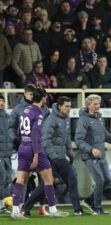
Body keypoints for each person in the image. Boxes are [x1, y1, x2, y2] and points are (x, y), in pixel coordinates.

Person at [10, 88, 69, 219]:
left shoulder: (25, 110)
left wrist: (23, 143)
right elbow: (35, 134)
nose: (46, 99)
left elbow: (19, 131)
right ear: (42, 98)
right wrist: (36, 154)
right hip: (34, 149)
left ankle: (15, 211)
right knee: (49, 179)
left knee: (20, 180)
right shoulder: (38, 113)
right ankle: (53, 210)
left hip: (23, 147)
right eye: (45, 97)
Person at [22, 96, 86, 216]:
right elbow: (45, 140)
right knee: (49, 183)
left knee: (69, 180)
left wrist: (70, 154)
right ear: (59, 106)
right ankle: (25, 207)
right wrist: (54, 157)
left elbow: (66, 139)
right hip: (50, 157)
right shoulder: (51, 119)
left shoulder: (66, 119)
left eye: (70, 106)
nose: (69, 109)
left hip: (60, 157)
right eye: (66, 106)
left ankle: (77, 210)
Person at [75, 94, 111, 215]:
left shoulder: (99, 117)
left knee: (107, 180)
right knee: (100, 180)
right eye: (95, 104)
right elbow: (79, 140)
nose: (97, 106)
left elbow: (106, 135)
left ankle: (88, 201)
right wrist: (91, 149)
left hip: (101, 155)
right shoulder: (83, 120)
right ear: (88, 105)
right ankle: (96, 207)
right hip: (90, 156)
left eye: (98, 104)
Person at [0, 95, 12, 214]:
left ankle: (3, 205)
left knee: (8, 179)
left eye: (3, 101)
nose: (1, 103)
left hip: (8, 154)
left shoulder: (9, 118)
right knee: (1, 178)